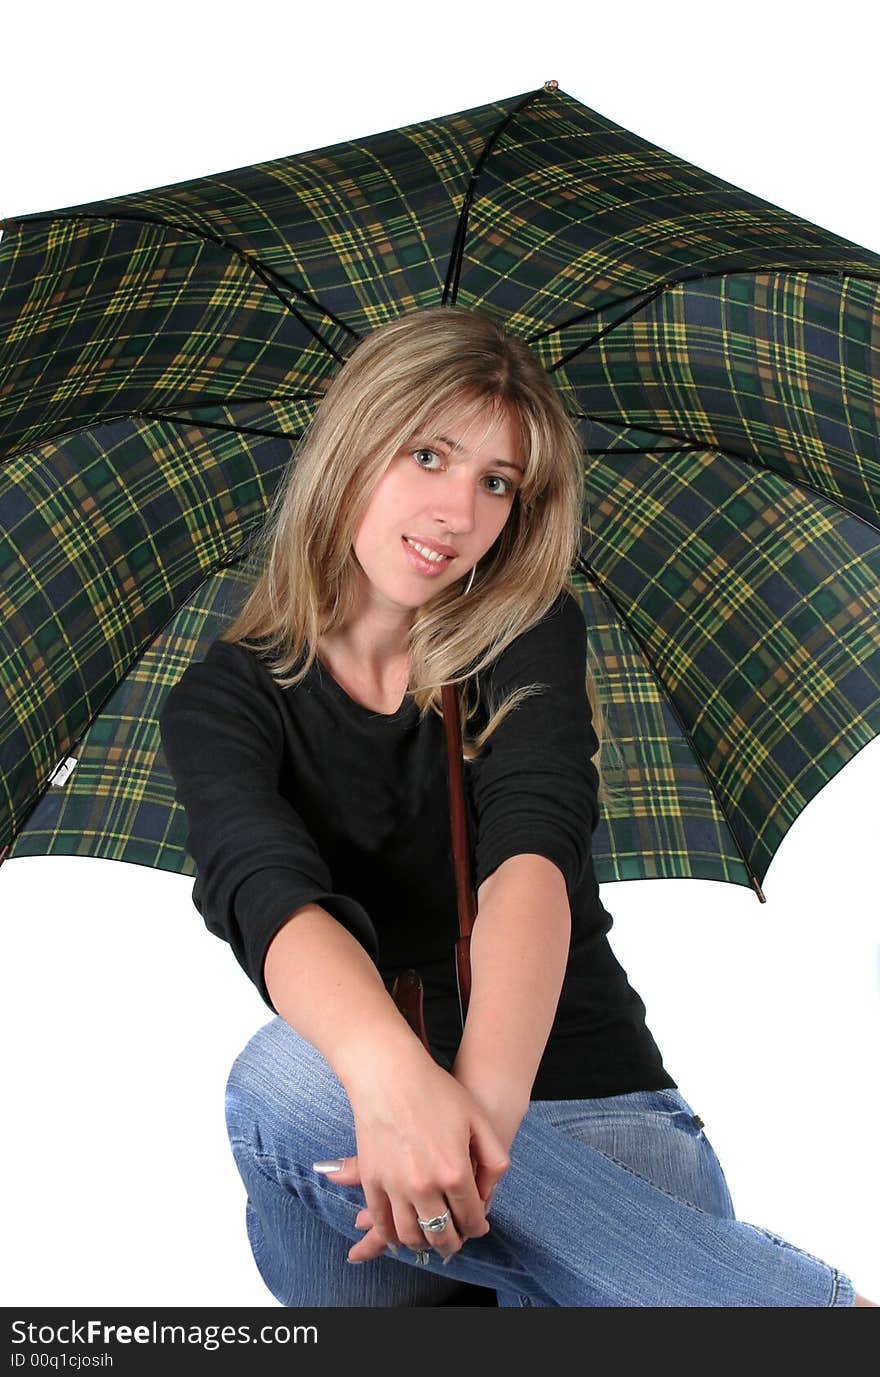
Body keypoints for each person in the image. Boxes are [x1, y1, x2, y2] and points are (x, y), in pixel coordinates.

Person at [159, 305, 875, 1307]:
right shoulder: (221, 701)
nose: (458, 512)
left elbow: (535, 853)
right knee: (289, 1076)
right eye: (427, 455)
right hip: (374, 1145)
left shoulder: (523, 630)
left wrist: (483, 1125)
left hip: (597, 1129)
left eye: (497, 482)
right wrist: (393, 1078)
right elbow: (262, 887)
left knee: (319, 1086)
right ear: (349, 448)